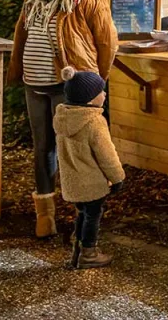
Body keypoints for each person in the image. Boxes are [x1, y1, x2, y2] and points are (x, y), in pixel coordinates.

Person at [8, 0, 118, 238]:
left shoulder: (88, 0)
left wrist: (93, 84)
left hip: (68, 87)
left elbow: (107, 44)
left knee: (75, 149)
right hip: (35, 85)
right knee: (43, 148)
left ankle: (84, 217)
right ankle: (45, 216)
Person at [53, 66, 125, 269]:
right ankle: (89, 253)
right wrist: (118, 177)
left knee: (82, 214)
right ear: (89, 99)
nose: (104, 94)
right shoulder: (93, 122)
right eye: (100, 91)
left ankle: (77, 250)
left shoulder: (63, 117)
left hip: (73, 183)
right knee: (93, 216)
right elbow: (106, 154)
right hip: (92, 183)